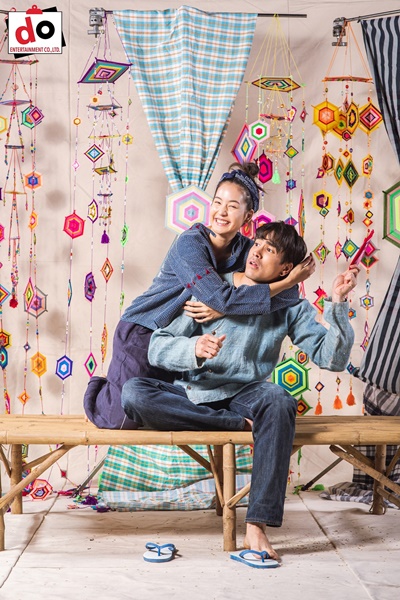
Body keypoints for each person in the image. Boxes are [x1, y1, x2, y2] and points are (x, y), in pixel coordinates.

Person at [121, 221, 359, 562]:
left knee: (279, 400)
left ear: (286, 269)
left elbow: (331, 359)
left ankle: (256, 525)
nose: (256, 252)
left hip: (245, 393)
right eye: (257, 243)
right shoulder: (212, 288)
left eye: (269, 250)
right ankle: (233, 423)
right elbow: (157, 347)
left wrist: (337, 302)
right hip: (194, 392)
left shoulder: (289, 304)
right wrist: (193, 348)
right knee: (134, 393)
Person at [84, 163, 313, 429]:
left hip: (183, 340)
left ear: (248, 216)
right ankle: (100, 390)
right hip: (146, 331)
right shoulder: (189, 243)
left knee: (168, 410)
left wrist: (284, 284)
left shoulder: (248, 249)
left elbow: (287, 294)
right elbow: (224, 298)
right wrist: (282, 283)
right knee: (120, 421)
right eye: (217, 202)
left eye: (232, 206)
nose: (222, 212)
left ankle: (228, 420)